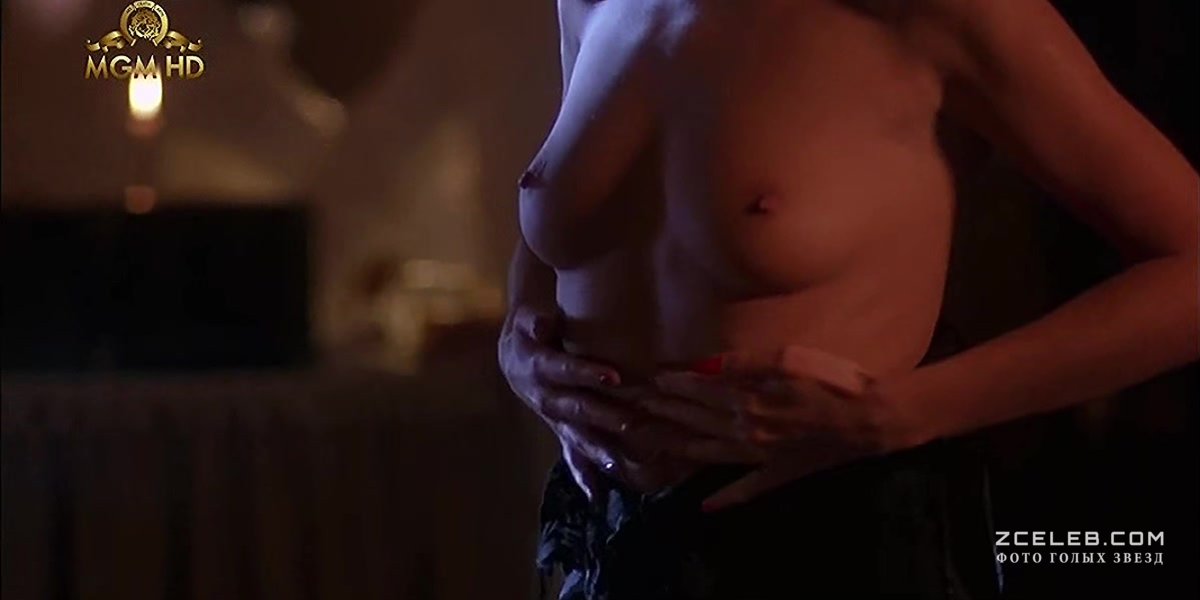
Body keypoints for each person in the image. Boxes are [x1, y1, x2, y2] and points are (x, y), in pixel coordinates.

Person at [498, 0, 1199, 598]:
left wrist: (909, 412)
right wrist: (518, 343)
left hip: (839, 535)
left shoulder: (939, 11)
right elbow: (567, 217)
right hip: (605, 540)